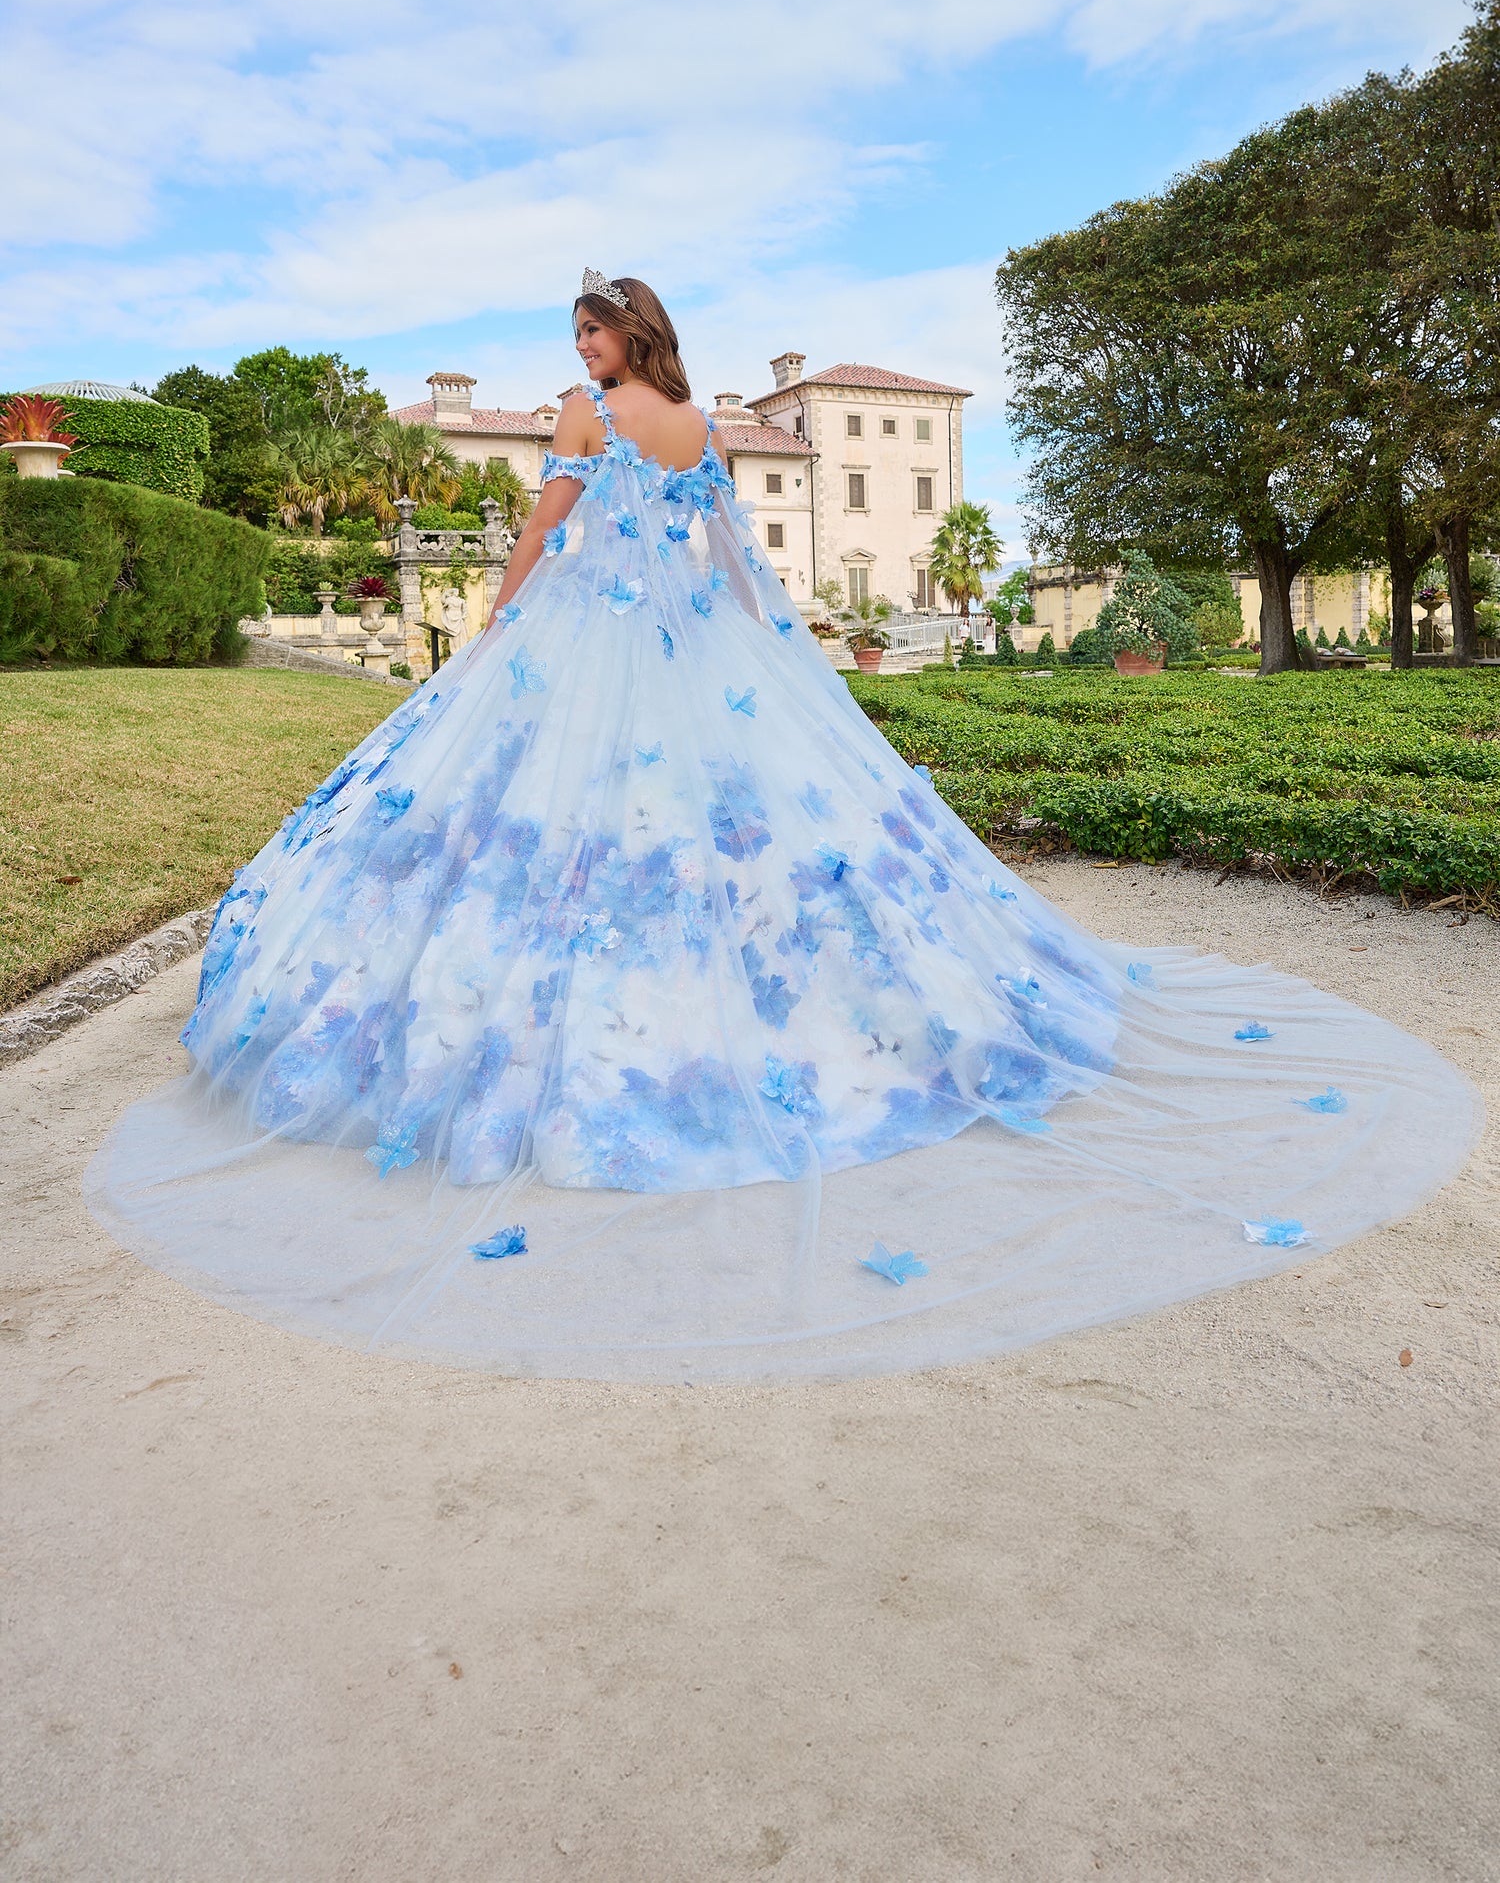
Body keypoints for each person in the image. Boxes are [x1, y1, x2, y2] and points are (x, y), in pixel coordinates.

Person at [87, 273, 1481, 1384]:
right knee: (706, 840)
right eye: (578, 333)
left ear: (634, 340)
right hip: (694, 650)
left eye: (595, 330)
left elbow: (547, 536)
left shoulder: (586, 423)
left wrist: (501, 616)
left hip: (581, 646)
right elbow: (732, 568)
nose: (583, 351)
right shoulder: (698, 434)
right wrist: (769, 661)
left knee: (558, 838)